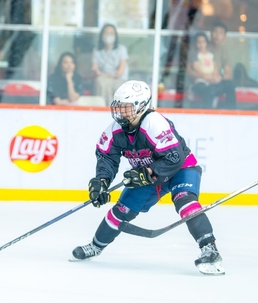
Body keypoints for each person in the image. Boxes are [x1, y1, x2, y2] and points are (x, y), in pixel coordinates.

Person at [71, 80, 224, 276]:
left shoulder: (154, 123)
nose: (120, 111)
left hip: (180, 169)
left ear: (141, 106)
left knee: (185, 202)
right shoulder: (114, 131)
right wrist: (101, 182)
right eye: (118, 106)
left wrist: (147, 172)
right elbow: (107, 158)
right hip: (148, 176)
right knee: (120, 211)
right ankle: (96, 245)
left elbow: (174, 157)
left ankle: (210, 250)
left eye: (126, 107)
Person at [92, 24, 129, 105]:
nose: (108, 35)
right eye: (106, 33)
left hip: (119, 79)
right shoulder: (96, 50)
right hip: (103, 80)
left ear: (115, 36)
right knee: (100, 82)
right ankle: (101, 108)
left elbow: (119, 73)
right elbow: (94, 70)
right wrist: (97, 72)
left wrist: (103, 75)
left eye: (111, 33)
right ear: (102, 35)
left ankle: (111, 108)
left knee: (108, 85)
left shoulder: (121, 49)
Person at [185, 32, 218, 108]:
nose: (201, 44)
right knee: (205, 89)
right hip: (200, 80)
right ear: (195, 44)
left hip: (211, 80)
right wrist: (204, 75)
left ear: (206, 43)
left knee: (213, 89)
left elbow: (215, 66)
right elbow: (195, 66)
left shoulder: (211, 54)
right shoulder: (195, 54)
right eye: (198, 42)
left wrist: (214, 75)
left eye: (203, 42)